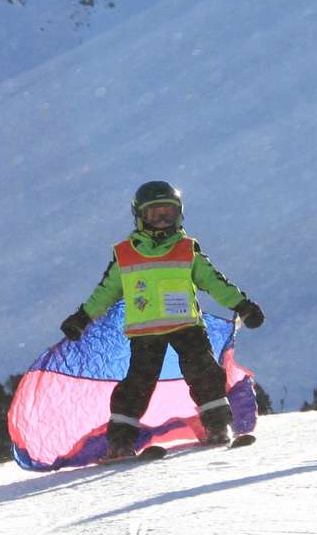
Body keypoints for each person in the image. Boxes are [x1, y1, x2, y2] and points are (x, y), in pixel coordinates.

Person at [59, 181, 265, 461]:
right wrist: (82, 318)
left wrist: (243, 306)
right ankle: (120, 443)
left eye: (169, 213)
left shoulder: (186, 249)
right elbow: (105, 292)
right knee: (136, 385)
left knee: (205, 374)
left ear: (180, 214)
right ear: (140, 217)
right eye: (155, 214)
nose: (163, 220)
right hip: (146, 335)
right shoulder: (126, 254)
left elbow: (215, 283)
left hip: (187, 328)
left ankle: (218, 426)